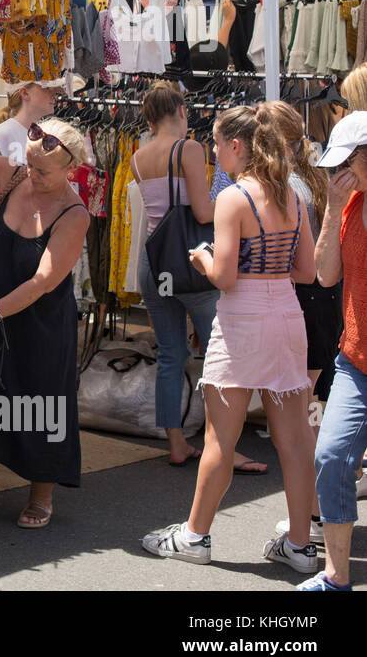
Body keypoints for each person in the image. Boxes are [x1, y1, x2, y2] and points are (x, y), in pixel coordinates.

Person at [142, 104, 318, 572]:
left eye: (217, 144)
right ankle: (301, 546)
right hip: (286, 315)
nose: (214, 152)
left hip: (243, 321)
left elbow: (223, 277)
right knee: (296, 442)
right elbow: (307, 271)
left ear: (236, 146)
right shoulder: (293, 197)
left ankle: (195, 536)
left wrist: (201, 259)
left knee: (221, 438)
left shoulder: (234, 198)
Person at [0, 106, 91, 528]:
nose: (33, 173)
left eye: (42, 170)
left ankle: (42, 496)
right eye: (29, 163)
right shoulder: (16, 175)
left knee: (42, 403)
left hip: (39, 325)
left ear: (70, 169)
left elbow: (42, 282)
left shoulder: (73, 214)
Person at [131, 82, 266, 474]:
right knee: (218, 355)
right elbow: (204, 213)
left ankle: (176, 443)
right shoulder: (188, 149)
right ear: (180, 110)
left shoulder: (139, 156)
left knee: (171, 355)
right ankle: (223, 447)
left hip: (154, 263)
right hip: (190, 263)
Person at [300, 111, 367, 589]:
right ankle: (335, 577)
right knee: (331, 456)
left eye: (345, 163)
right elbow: (325, 275)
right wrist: (331, 206)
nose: (336, 174)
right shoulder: (347, 205)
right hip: (356, 360)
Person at [270, 102, 340, 547]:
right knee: (312, 411)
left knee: (307, 417)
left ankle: (314, 514)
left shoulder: (291, 185)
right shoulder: (309, 176)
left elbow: (298, 258)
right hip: (322, 301)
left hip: (309, 299)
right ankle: (316, 511)